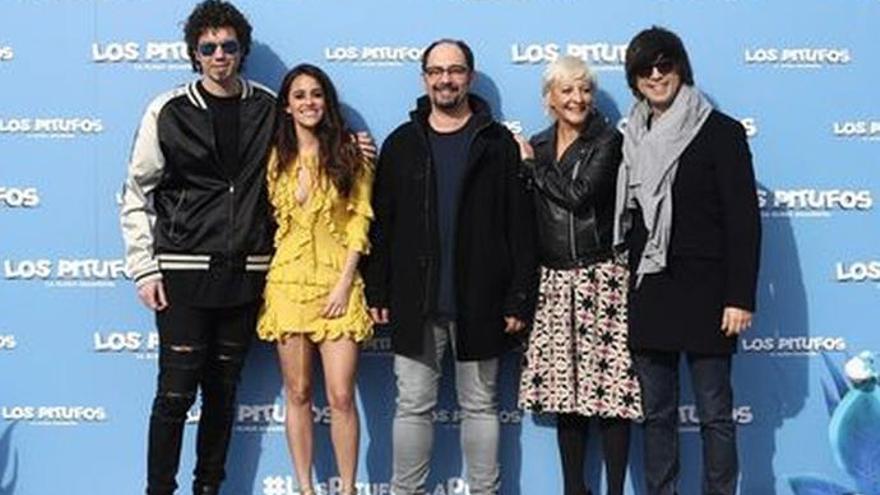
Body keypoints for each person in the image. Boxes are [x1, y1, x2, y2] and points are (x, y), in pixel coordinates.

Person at [120, 3, 375, 493]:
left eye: (229, 46)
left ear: (242, 50)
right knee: (175, 394)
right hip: (183, 270)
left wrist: (356, 147)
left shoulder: (266, 107)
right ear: (194, 54)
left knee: (222, 393)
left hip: (248, 273)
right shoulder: (168, 110)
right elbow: (136, 191)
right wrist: (143, 268)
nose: (220, 56)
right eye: (209, 48)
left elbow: (316, 148)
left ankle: (208, 487)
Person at [363, 39, 537, 495]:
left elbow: (521, 228)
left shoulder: (498, 144)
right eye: (437, 71)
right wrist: (376, 290)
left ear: (470, 77)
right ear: (424, 78)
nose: (446, 79)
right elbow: (382, 225)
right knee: (413, 405)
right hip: (415, 299)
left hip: (481, 298)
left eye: (455, 70)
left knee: (480, 405)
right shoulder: (401, 144)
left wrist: (519, 295)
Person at [614, 27, 761, 495]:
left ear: (681, 68)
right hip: (650, 290)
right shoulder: (629, 136)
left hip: (708, 292)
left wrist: (739, 296)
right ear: (634, 80)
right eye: (645, 69)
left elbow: (744, 222)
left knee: (715, 413)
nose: (656, 76)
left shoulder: (721, 131)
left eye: (665, 65)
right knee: (656, 414)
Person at [514, 55, 642, 495]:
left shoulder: (607, 140)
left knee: (611, 394)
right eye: (567, 90)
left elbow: (579, 195)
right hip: (553, 281)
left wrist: (532, 168)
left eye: (584, 89)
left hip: (599, 277)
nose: (578, 98)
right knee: (565, 396)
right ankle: (574, 489)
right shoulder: (539, 144)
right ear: (549, 97)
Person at [256, 64, 373, 495]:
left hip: (337, 285)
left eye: (316, 94)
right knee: (299, 392)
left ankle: (347, 489)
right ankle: (304, 488)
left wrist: (345, 284)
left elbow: (360, 221)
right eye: (300, 95)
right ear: (287, 106)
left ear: (328, 102)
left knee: (341, 396)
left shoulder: (351, 154)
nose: (309, 102)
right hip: (287, 285)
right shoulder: (273, 159)